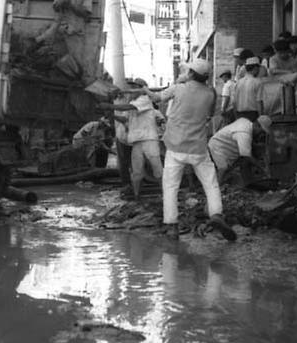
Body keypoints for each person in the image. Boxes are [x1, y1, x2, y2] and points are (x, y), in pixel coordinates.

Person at [145, 59, 237, 241]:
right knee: (211, 184)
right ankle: (217, 214)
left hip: (175, 146)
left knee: (170, 187)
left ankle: (172, 226)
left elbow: (156, 98)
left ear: (191, 73)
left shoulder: (178, 89)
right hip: (199, 147)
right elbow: (210, 114)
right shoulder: (211, 93)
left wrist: (144, 90)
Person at [101, 78, 164, 201]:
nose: (131, 90)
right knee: (137, 171)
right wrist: (111, 114)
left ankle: (165, 195)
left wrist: (110, 106)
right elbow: (125, 119)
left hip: (149, 139)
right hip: (137, 141)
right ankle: (137, 197)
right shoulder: (134, 102)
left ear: (141, 89)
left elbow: (128, 107)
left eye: (134, 87)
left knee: (157, 168)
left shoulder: (144, 99)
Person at [36, 0, 92, 79]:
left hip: (75, 34)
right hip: (59, 31)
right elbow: (55, 8)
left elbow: (86, 15)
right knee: (54, 61)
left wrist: (71, 5)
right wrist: (60, 2)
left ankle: (75, 86)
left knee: (76, 65)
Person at [208, 115, 272, 183]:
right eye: (261, 131)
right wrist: (262, 168)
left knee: (229, 167)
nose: (260, 133)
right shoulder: (244, 133)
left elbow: (245, 142)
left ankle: (224, 183)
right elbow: (246, 156)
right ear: (257, 125)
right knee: (223, 168)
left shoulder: (246, 122)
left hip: (225, 146)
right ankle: (215, 188)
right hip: (217, 145)